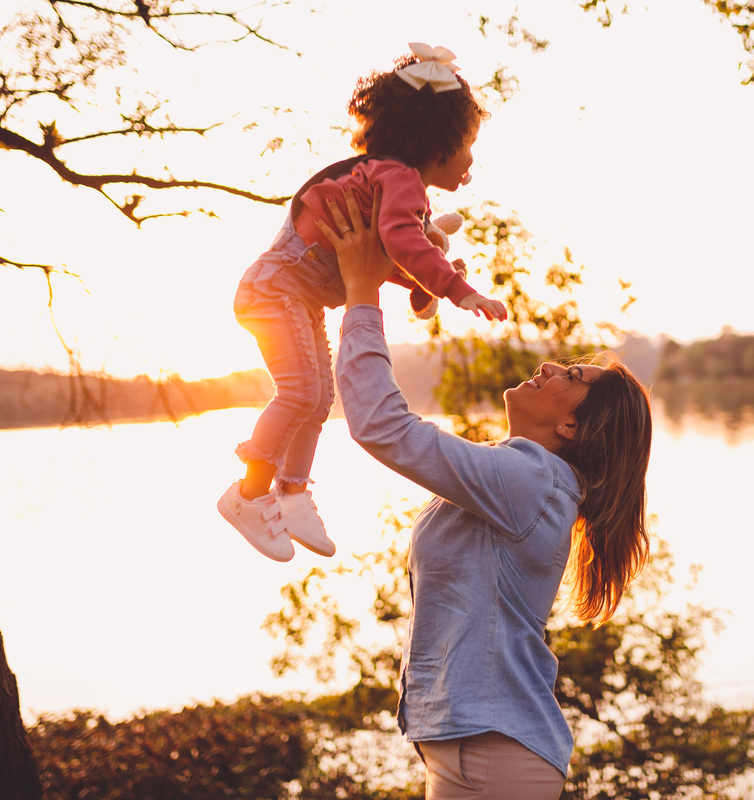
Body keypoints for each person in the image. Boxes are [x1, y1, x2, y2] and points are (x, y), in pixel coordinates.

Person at [319, 186, 654, 799]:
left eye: (571, 376)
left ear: (572, 428)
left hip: (493, 752)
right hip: (478, 749)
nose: (551, 366)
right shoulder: (521, 478)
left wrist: (361, 293)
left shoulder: (531, 480)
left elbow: (384, 427)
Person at [218, 44, 507, 563]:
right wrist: (460, 292)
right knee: (301, 390)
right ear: (438, 141)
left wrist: (422, 282)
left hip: (295, 298)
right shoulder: (399, 180)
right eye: (468, 145)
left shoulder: (381, 177)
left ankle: (293, 491)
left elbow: (381, 255)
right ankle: (248, 493)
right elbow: (403, 241)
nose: (470, 161)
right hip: (276, 289)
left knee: (319, 395)